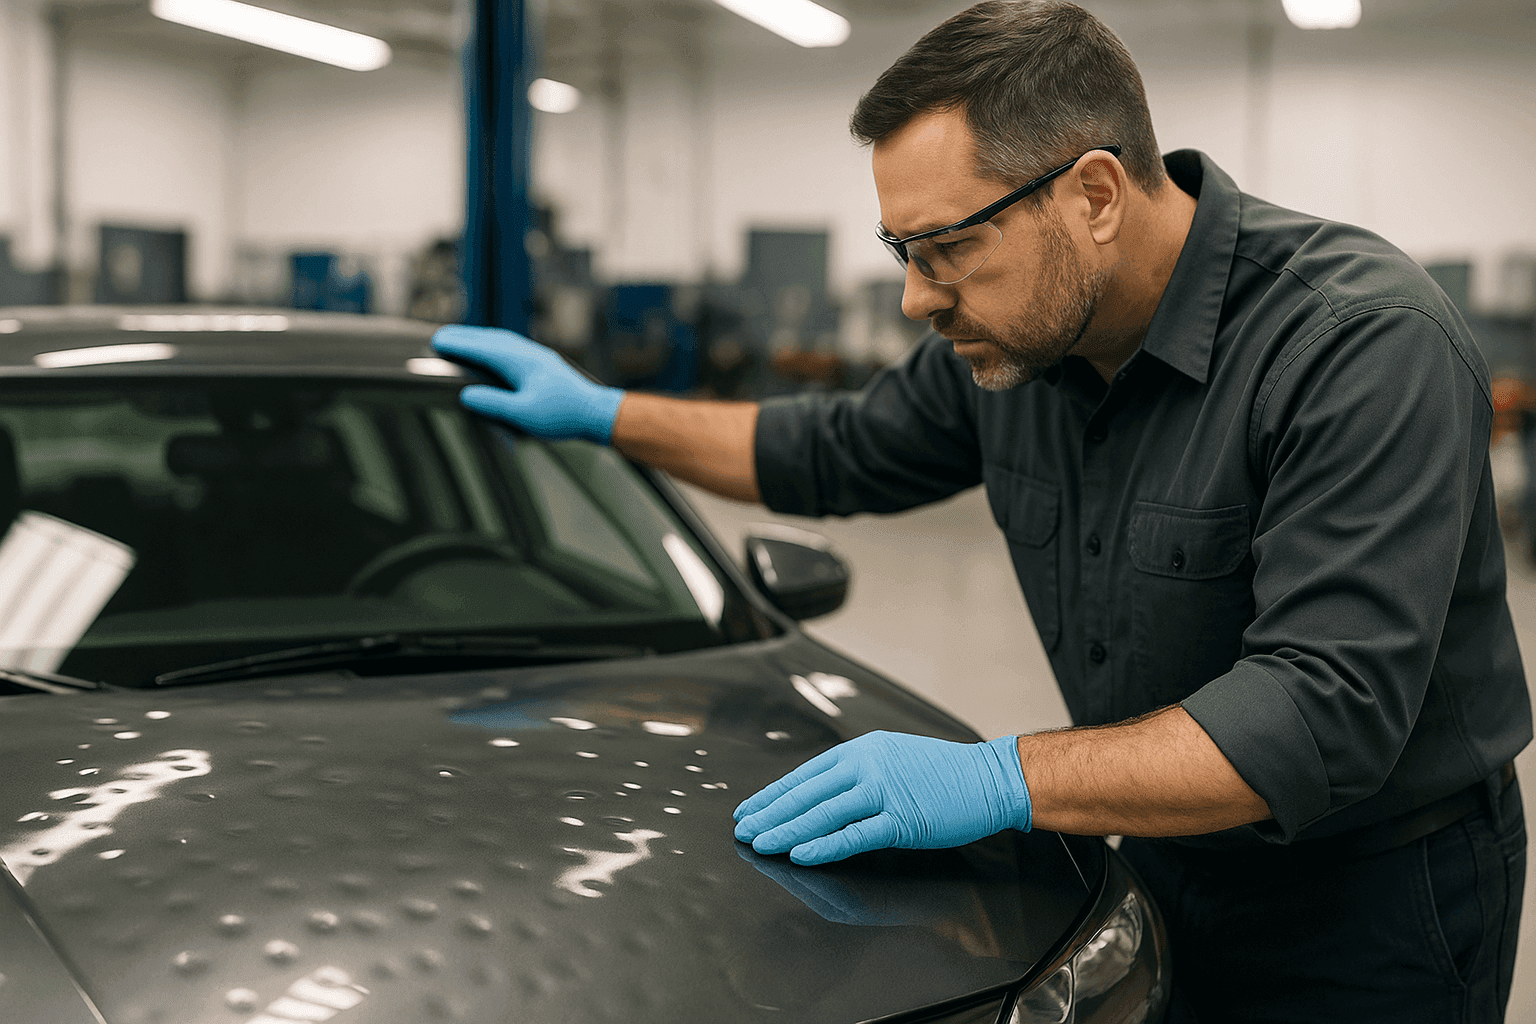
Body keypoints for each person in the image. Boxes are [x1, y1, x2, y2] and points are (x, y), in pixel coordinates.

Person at [431, 2, 1531, 1019]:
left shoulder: (1356, 344)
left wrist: (1001, 776)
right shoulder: (1018, 342)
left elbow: (1319, 712)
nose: (918, 297)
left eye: (948, 247)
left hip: (1370, 900)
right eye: (901, 252)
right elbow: (832, 449)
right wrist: (603, 413)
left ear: (1094, 195)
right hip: (1152, 851)